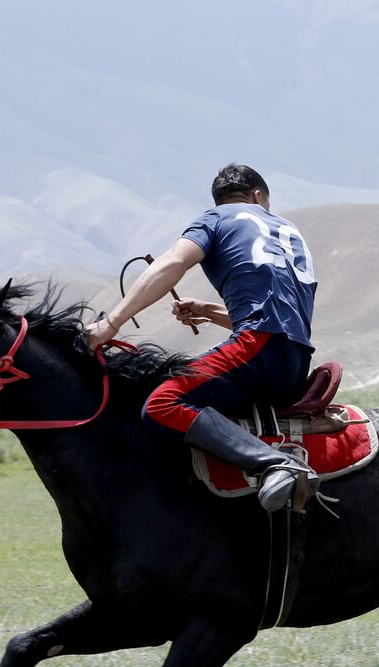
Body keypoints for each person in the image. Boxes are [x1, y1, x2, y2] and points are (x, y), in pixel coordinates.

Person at [84, 163, 319, 512]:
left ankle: (274, 465)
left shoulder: (215, 219)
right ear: (257, 196)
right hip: (294, 360)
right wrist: (209, 311)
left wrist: (111, 323)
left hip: (259, 350)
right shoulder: (288, 230)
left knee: (162, 404)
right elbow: (279, 316)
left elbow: (172, 264)